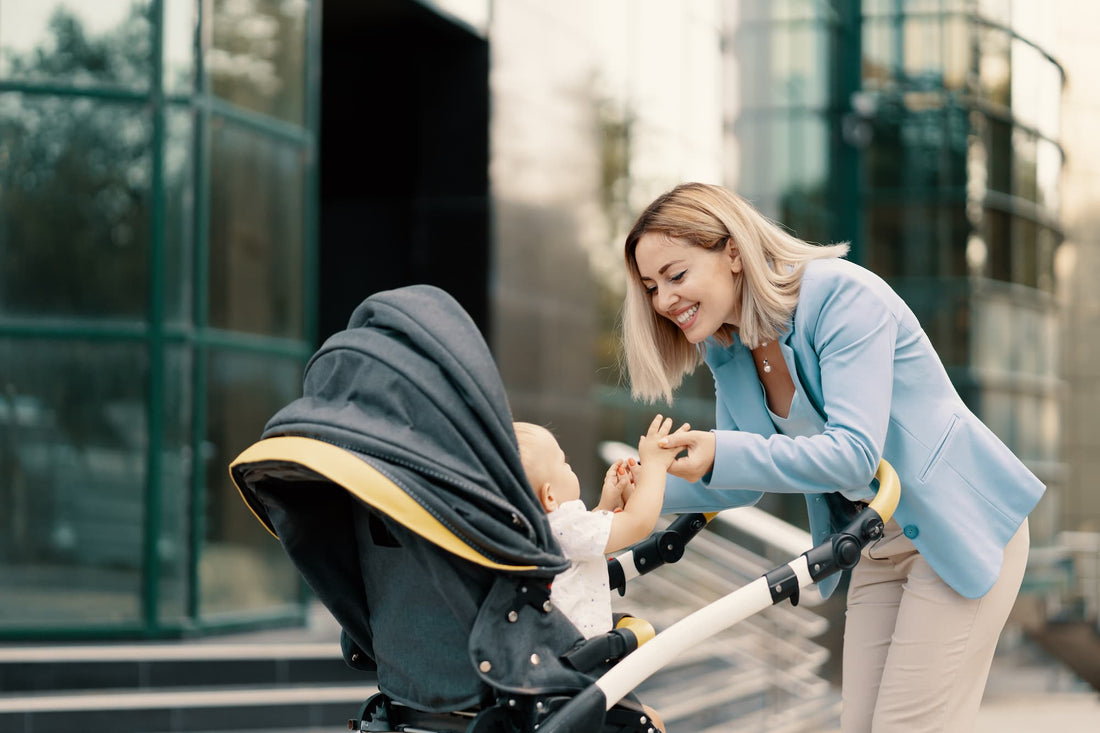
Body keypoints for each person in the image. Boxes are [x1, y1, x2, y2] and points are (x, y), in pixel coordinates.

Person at [619, 182, 1044, 733]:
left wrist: (720, 450)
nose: (662, 301)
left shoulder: (842, 297)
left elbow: (852, 456)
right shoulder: (729, 348)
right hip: (875, 544)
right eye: (651, 287)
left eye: (676, 276)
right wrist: (638, 494)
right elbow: (738, 482)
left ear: (731, 251)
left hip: (960, 529)